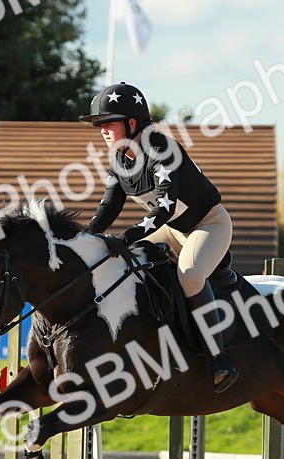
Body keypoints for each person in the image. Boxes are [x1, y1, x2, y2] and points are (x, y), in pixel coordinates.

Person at [80, 81, 238, 393]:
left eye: (107, 123)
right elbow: (110, 204)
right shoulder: (119, 158)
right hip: (174, 229)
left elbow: (164, 208)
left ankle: (219, 358)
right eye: (99, 125)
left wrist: (128, 235)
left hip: (208, 224)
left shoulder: (161, 149)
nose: (101, 130)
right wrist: (87, 238)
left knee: (190, 277)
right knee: (123, 265)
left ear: (132, 123)